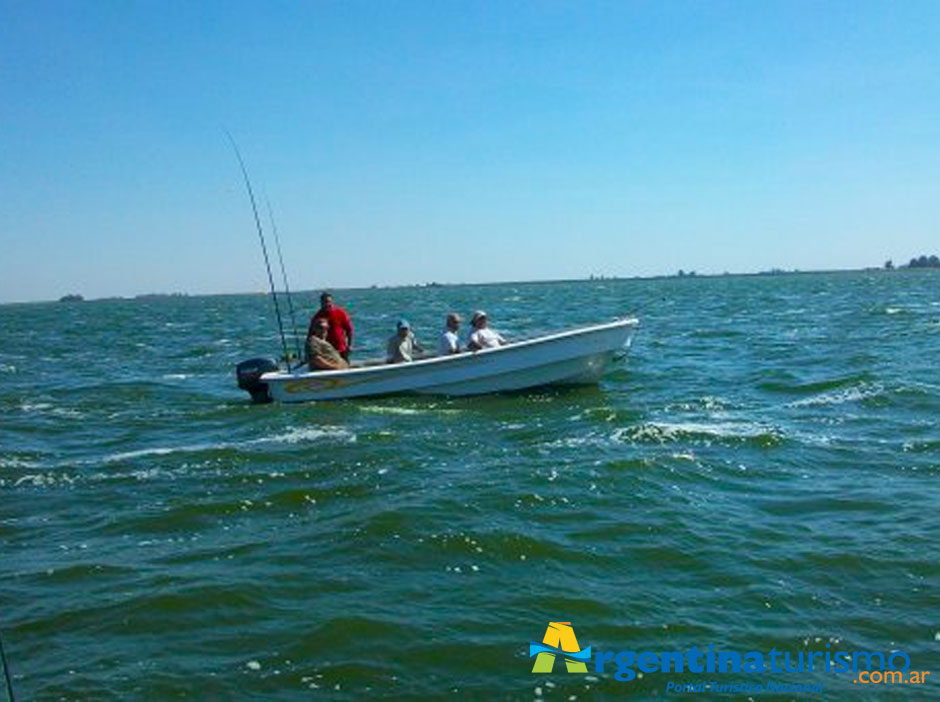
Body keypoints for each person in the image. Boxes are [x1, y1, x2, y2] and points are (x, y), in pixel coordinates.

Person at [308, 292, 354, 361]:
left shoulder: (340, 313)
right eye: (325, 302)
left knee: (344, 366)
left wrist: (349, 345)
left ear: (332, 302)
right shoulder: (317, 317)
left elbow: (349, 330)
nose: (327, 304)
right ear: (321, 303)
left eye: (329, 302)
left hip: (341, 349)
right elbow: (310, 335)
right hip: (326, 351)